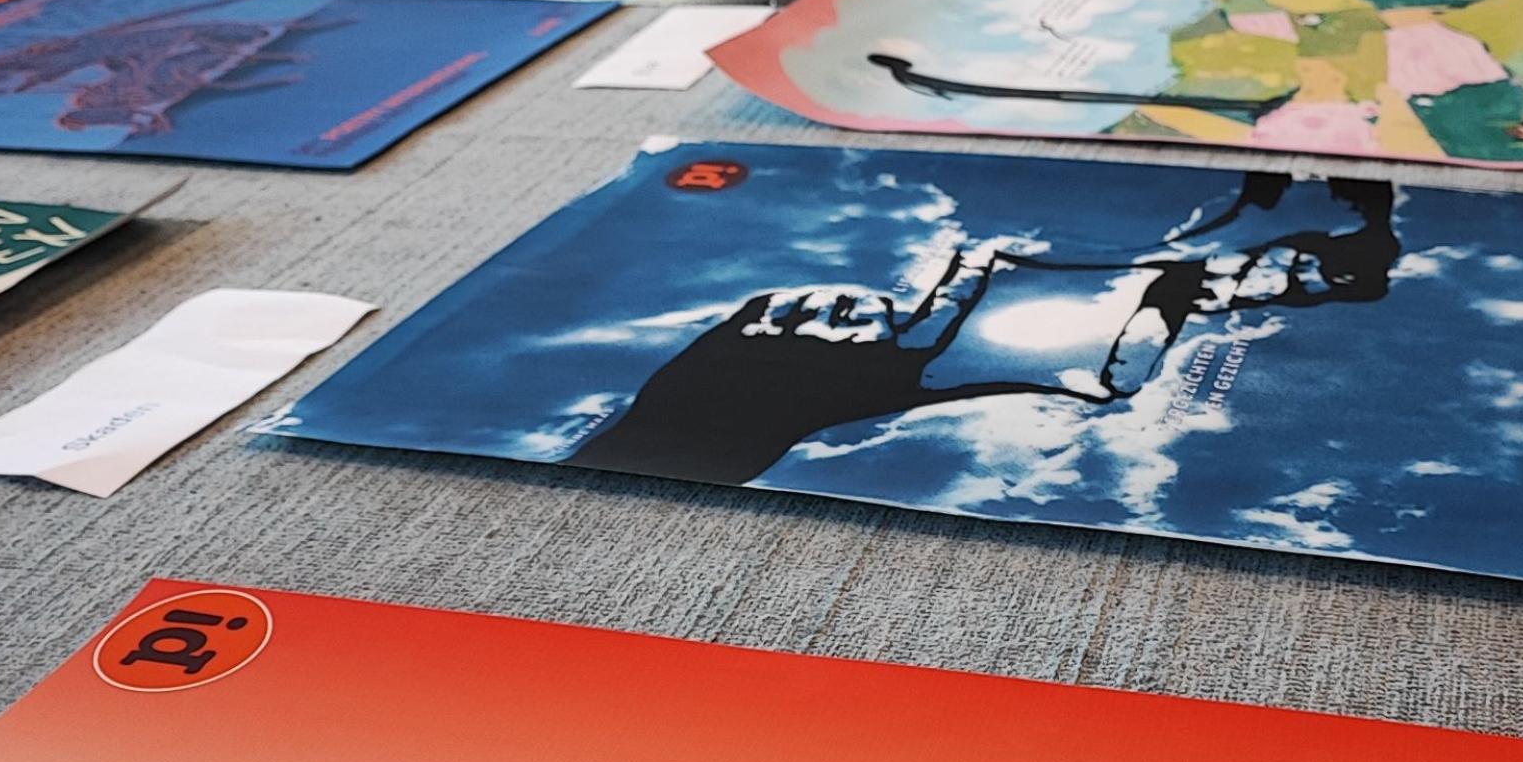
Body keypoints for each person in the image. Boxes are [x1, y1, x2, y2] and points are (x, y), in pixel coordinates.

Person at [568, 172, 1400, 486]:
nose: (1280, 280)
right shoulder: (1024, 283)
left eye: (1305, 280)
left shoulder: (1108, 346)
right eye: (1300, 263)